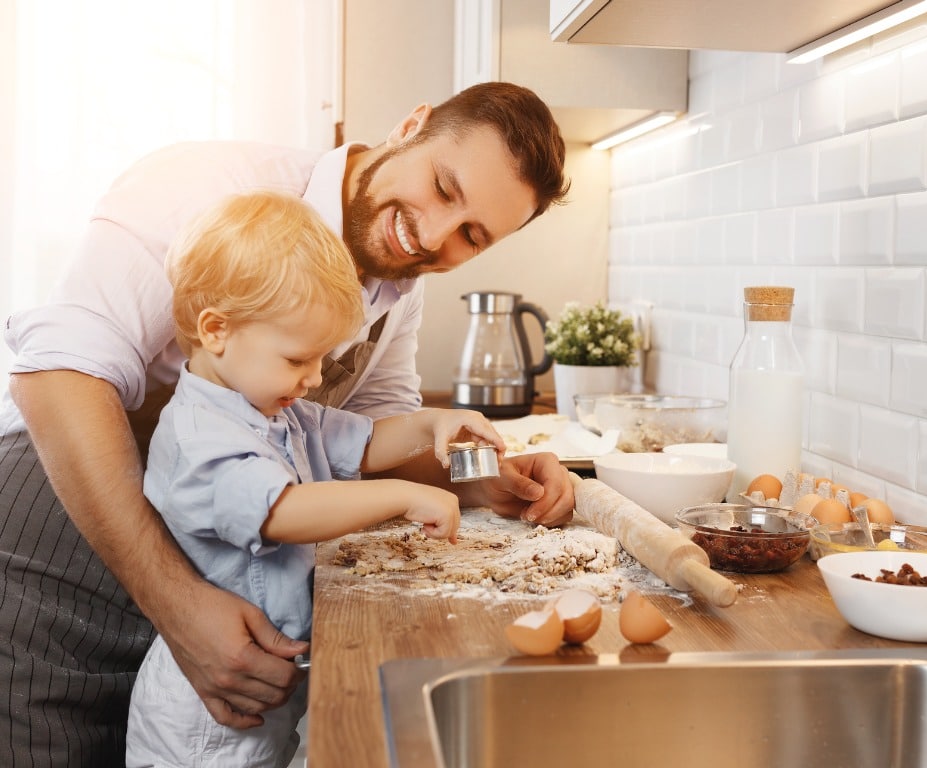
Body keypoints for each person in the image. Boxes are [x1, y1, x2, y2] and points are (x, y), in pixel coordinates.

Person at [0, 81, 573, 767]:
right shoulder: (209, 189)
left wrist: (483, 480)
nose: (432, 236)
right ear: (411, 125)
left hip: (212, 557)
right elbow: (59, 375)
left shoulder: (396, 285)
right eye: (444, 189)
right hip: (63, 523)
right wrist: (176, 605)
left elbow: (369, 433)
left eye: (471, 237)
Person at [124, 189, 504, 767]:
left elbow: (368, 442)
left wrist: (433, 422)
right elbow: (282, 513)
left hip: (269, 696)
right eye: (299, 358)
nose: (314, 377)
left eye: (322, 358)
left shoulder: (277, 409)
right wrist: (403, 495)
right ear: (217, 329)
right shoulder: (197, 437)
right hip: (205, 726)